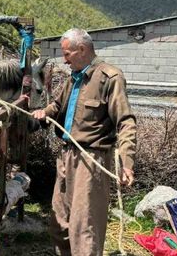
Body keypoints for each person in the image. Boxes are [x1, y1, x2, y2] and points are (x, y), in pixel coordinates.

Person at [31, 28, 137, 256]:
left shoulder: (110, 78)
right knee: (59, 221)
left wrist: (127, 162)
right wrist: (44, 113)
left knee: (84, 226)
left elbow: (126, 122)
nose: (64, 60)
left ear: (82, 49)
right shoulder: (75, 78)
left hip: (91, 159)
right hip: (66, 155)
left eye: (67, 54)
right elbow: (58, 106)